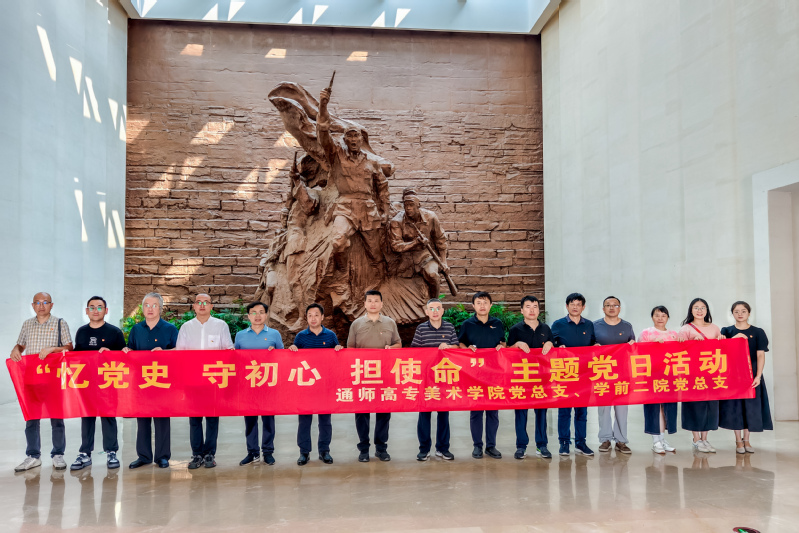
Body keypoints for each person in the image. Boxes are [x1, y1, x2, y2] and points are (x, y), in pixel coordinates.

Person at [11, 292, 73, 472]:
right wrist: (16, 349)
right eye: (37, 303)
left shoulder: (60, 323)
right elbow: (21, 344)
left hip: (53, 379)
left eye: (45, 302)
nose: (41, 305)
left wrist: (53, 349)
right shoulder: (27, 324)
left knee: (57, 418)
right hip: (32, 378)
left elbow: (69, 348)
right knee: (31, 419)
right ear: (33, 305)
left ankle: (58, 454)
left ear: (51, 305)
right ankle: (33, 455)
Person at [176, 294, 233, 469]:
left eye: (205, 302)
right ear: (194, 306)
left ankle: (209, 454)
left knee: (212, 418)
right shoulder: (186, 327)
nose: (202, 305)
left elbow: (229, 350)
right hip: (192, 380)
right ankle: (196, 454)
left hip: (213, 380)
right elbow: (179, 353)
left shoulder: (220, 325)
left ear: (211, 306)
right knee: (194, 419)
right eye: (198, 302)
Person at [70, 296, 126, 471]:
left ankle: (111, 452)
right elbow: (76, 356)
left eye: (100, 307)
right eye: (92, 307)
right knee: (87, 417)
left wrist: (111, 353)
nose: (96, 310)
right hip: (87, 383)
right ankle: (85, 453)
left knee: (108, 416)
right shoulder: (81, 332)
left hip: (108, 382)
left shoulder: (115, 332)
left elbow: (124, 358)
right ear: (87, 311)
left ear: (106, 311)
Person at [347, 290, 401, 462]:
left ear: (381, 304)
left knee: (384, 411)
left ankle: (381, 448)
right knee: (362, 412)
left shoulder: (390, 323)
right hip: (362, 375)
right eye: (369, 300)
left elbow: (398, 344)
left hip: (384, 374)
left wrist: (391, 349)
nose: (373, 304)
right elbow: (350, 349)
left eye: (376, 301)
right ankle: (363, 448)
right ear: (364, 304)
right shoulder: (356, 324)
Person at [125, 292, 178, 469]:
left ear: (160, 308)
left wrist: (166, 353)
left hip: (163, 381)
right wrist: (126, 351)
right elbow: (131, 351)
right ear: (142, 308)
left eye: (154, 305)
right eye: (147, 305)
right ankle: (144, 456)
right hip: (141, 382)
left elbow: (180, 352)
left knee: (162, 419)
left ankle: (162, 456)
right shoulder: (136, 329)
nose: (150, 309)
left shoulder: (170, 329)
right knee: (142, 420)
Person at [288, 303, 342, 465]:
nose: (313, 318)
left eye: (316, 315)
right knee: (304, 421)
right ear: (306, 318)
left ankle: (324, 451)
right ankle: (304, 452)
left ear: (322, 317)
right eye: (310, 315)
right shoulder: (301, 337)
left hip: (325, 386)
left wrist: (338, 349)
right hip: (306, 387)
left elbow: (337, 360)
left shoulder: (330, 336)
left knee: (325, 421)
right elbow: (293, 361)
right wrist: (293, 349)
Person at [234, 301, 284, 466]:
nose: (257, 315)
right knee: (250, 420)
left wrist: (274, 353)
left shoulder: (274, 334)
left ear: (266, 315)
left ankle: (268, 452)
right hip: (248, 385)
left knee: (268, 419)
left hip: (268, 384)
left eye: (261, 312)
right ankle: (252, 452)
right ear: (248, 316)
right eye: (253, 312)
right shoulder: (240, 335)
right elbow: (235, 360)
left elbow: (283, 358)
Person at [719, 301, 773, 453]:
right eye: (736, 311)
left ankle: (747, 440)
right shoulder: (726, 331)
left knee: (751, 407)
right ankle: (738, 441)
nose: (740, 314)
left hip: (752, 375)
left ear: (749, 313)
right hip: (733, 375)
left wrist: (758, 376)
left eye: (743, 311)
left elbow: (760, 355)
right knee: (735, 408)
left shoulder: (758, 332)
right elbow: (722, 351)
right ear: (732, 314)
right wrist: (734, 338)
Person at [458, 291, 506, 459]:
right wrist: (466, 349)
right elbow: (460, 343)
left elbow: (503, 342)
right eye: (479, 303)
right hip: (474, 375)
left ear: (491, 305)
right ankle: (477, 446)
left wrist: (502, 346)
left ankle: (491, 446)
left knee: (493, 412)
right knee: (476, 412)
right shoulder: (467, 324)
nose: (482, 306)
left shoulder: (497, 323)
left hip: (494, 374)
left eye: (485, 302)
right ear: (473, 306)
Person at [411, 298, 459, 461]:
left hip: (445, 377)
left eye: (438, 308)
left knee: (443, 414)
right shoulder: (421, 329)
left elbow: (457, 347)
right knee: (424, 414)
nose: (435, 311)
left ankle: (443, 448)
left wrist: (449, 347)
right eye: (431, 309)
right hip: (426, 378)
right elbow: (414, 351)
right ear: (426, 312)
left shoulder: (449, 327)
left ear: (443, 311)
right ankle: (424, 449)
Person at [507, 295, 554, 459]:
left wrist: (551, 343)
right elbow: (507, 352)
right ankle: (521, 446)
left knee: (541, 413)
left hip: (542, 378)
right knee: (521, 413)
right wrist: (517, 345)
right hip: (522, 378)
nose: (532, 310)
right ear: (522, 310)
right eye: (528, 307)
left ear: (539, 310)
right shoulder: (515, 329)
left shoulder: (546, 329)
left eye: (535, 306)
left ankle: (542, 445)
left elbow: (554, 351)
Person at [550, 293, 595, 457]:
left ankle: (581, 443)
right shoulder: (558, 324)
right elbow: (550, 344)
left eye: (578, 304)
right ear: (567, 306)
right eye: (572, 304)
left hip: (584, 374)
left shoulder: (589, 325)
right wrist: (557, 348)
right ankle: (564, 443)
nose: (575, 307)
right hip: (565, 374)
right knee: (564, 411)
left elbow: (593, 343)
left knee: (582, 411)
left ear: (583, 307)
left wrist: (597, 345)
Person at [677, 297, 722, 453]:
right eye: (696, 307)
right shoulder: (686, 329)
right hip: (693, 374)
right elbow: (680, 351)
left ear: (707, 310)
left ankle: (705, 438)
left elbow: (720, 350)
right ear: (691, 310)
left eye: (703, 307)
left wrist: (722, 339)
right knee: (694, 406)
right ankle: (696, 439)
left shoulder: (715, 328)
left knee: (710, 406)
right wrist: (691, 342)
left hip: (711, 373)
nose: (699, 310)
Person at [388, 188, 450, 299]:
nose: (408, 208)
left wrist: (444, 262)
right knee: (395, 282)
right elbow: (396, 246)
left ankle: (434, 302)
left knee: (432, 275)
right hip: (406, 258)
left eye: (411, 205)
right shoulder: (396, 221)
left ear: (418, 205)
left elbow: (441, 240)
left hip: (426, 256)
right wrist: (415, 242)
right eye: (406, 205)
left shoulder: (431, 217)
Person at [593, 296, 635, 454]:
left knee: (622, 409)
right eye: (608, 305)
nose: (612, 308)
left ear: (620, 308)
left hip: (622, 374)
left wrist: (632, 345)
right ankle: (605, 439)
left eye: (615, 305)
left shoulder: (627, 326)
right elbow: (588, 347)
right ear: (603, 308)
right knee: (604, 408)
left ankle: (621, 440)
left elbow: (633, 347)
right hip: (602, 373)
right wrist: (593, 346)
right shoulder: (595, 326)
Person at [638, 306, 680, 454]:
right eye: (657, 315)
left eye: (663, 315)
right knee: (654, 407)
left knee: (666, 408)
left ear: (667, 317)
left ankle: (662, 439)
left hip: (669, 376)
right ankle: (655, 441)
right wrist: (651, 344)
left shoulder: (674, 334)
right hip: (652, 375)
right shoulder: (646, 333)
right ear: (652, 317)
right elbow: (639, 352)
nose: (660, 318)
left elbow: (680, 353)